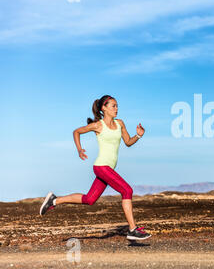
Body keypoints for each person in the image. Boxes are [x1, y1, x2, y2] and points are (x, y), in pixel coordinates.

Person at [39, 95, 151, 240]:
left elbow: (128, 142)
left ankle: (54, 200)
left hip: (108, 168)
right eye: (113, 106)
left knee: (89, 199)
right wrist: (79, 149)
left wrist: (138, 135)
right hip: (101, 167)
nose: (116, 109)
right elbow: (77, 132)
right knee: (127, 190)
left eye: (117, 106)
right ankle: (132, 229)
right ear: (104, 108)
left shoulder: (120, 124)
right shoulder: (98, 125)